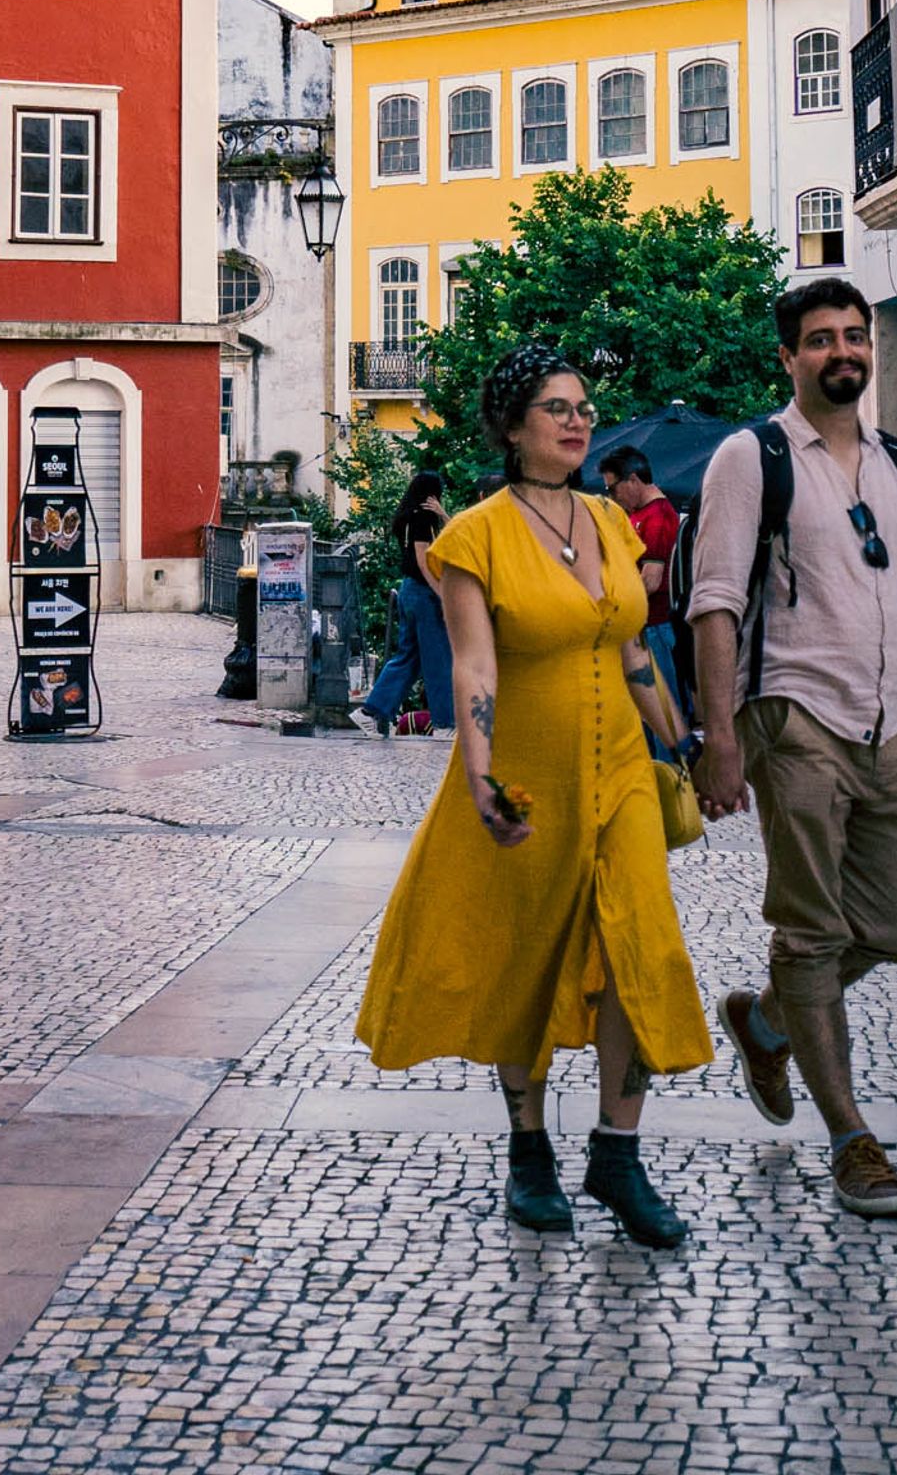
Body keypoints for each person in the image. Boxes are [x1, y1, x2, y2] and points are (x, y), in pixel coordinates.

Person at [687, 276, 897, 1223]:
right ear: (789, 357)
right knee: (813, 931)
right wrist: (722, 741)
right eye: (821, 339)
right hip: (793, 720)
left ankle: (763, 1024)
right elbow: (713, 602)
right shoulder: (750, 458)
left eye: (853, 337)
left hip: (890, 726)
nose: (842, 352)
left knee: (888, 927)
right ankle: (851, 1140)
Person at [357, 346, 707, 1249]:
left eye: (583, 406)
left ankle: (618, 1154)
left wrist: (688, 740)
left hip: (623, 772)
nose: (576, 420)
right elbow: (472, 664)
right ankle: (528, 1149)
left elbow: (632, 653)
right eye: (555, 408)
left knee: (642, 944)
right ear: (513, 428)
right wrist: (480, 780)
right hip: (528, 772)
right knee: (528, 955)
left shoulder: (611, 523)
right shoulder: (474, 535)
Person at [603, 446, 689, 757]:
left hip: (653, 627)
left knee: (662, 711)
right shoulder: (638, 515)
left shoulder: (658, 517)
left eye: (613, 488)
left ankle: (673, 779)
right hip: (641, 628)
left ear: (634, 480)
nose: (613, 497)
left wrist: (611, 609)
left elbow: (650, 580)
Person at [363, 470, 454, 736]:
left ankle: (374, 710)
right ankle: (445, 723)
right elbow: (424, 560)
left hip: (408, 590)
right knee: (437, 659)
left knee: (408, 657)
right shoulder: (423, 519)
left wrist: (443, 514)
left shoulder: (406, 517)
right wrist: (442, 594)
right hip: (424, 593)